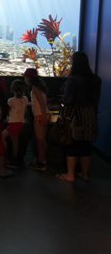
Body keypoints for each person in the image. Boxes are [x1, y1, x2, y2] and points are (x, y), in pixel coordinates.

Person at [56, 51, 101, 182]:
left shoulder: (72, 80)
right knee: (86, 145)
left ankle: (70, 175)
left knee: (72, 144)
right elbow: (96, 99)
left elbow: (68, 100)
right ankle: (85, 174)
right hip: (90, 114)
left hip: (75, 116)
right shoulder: (96, 79)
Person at [24, 68, 51, 171]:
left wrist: (43, 116)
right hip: (45, 114)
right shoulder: (41, 87)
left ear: (28, 78)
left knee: (39, 140)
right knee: (43, 140)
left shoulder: (34, 88)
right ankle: (44, 161)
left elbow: (41, 103)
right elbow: (40, 102)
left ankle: (41, 162)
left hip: (40, 116)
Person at [2, 79, 29, 169]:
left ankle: (11, 160)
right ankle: (14, 159)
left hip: (13, 123)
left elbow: (7, 112)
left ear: (12, 89)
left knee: (11, 141)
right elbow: (25, 111)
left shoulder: (11, 101)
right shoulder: (25, 99)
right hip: (21, 122)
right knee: (15, 141)